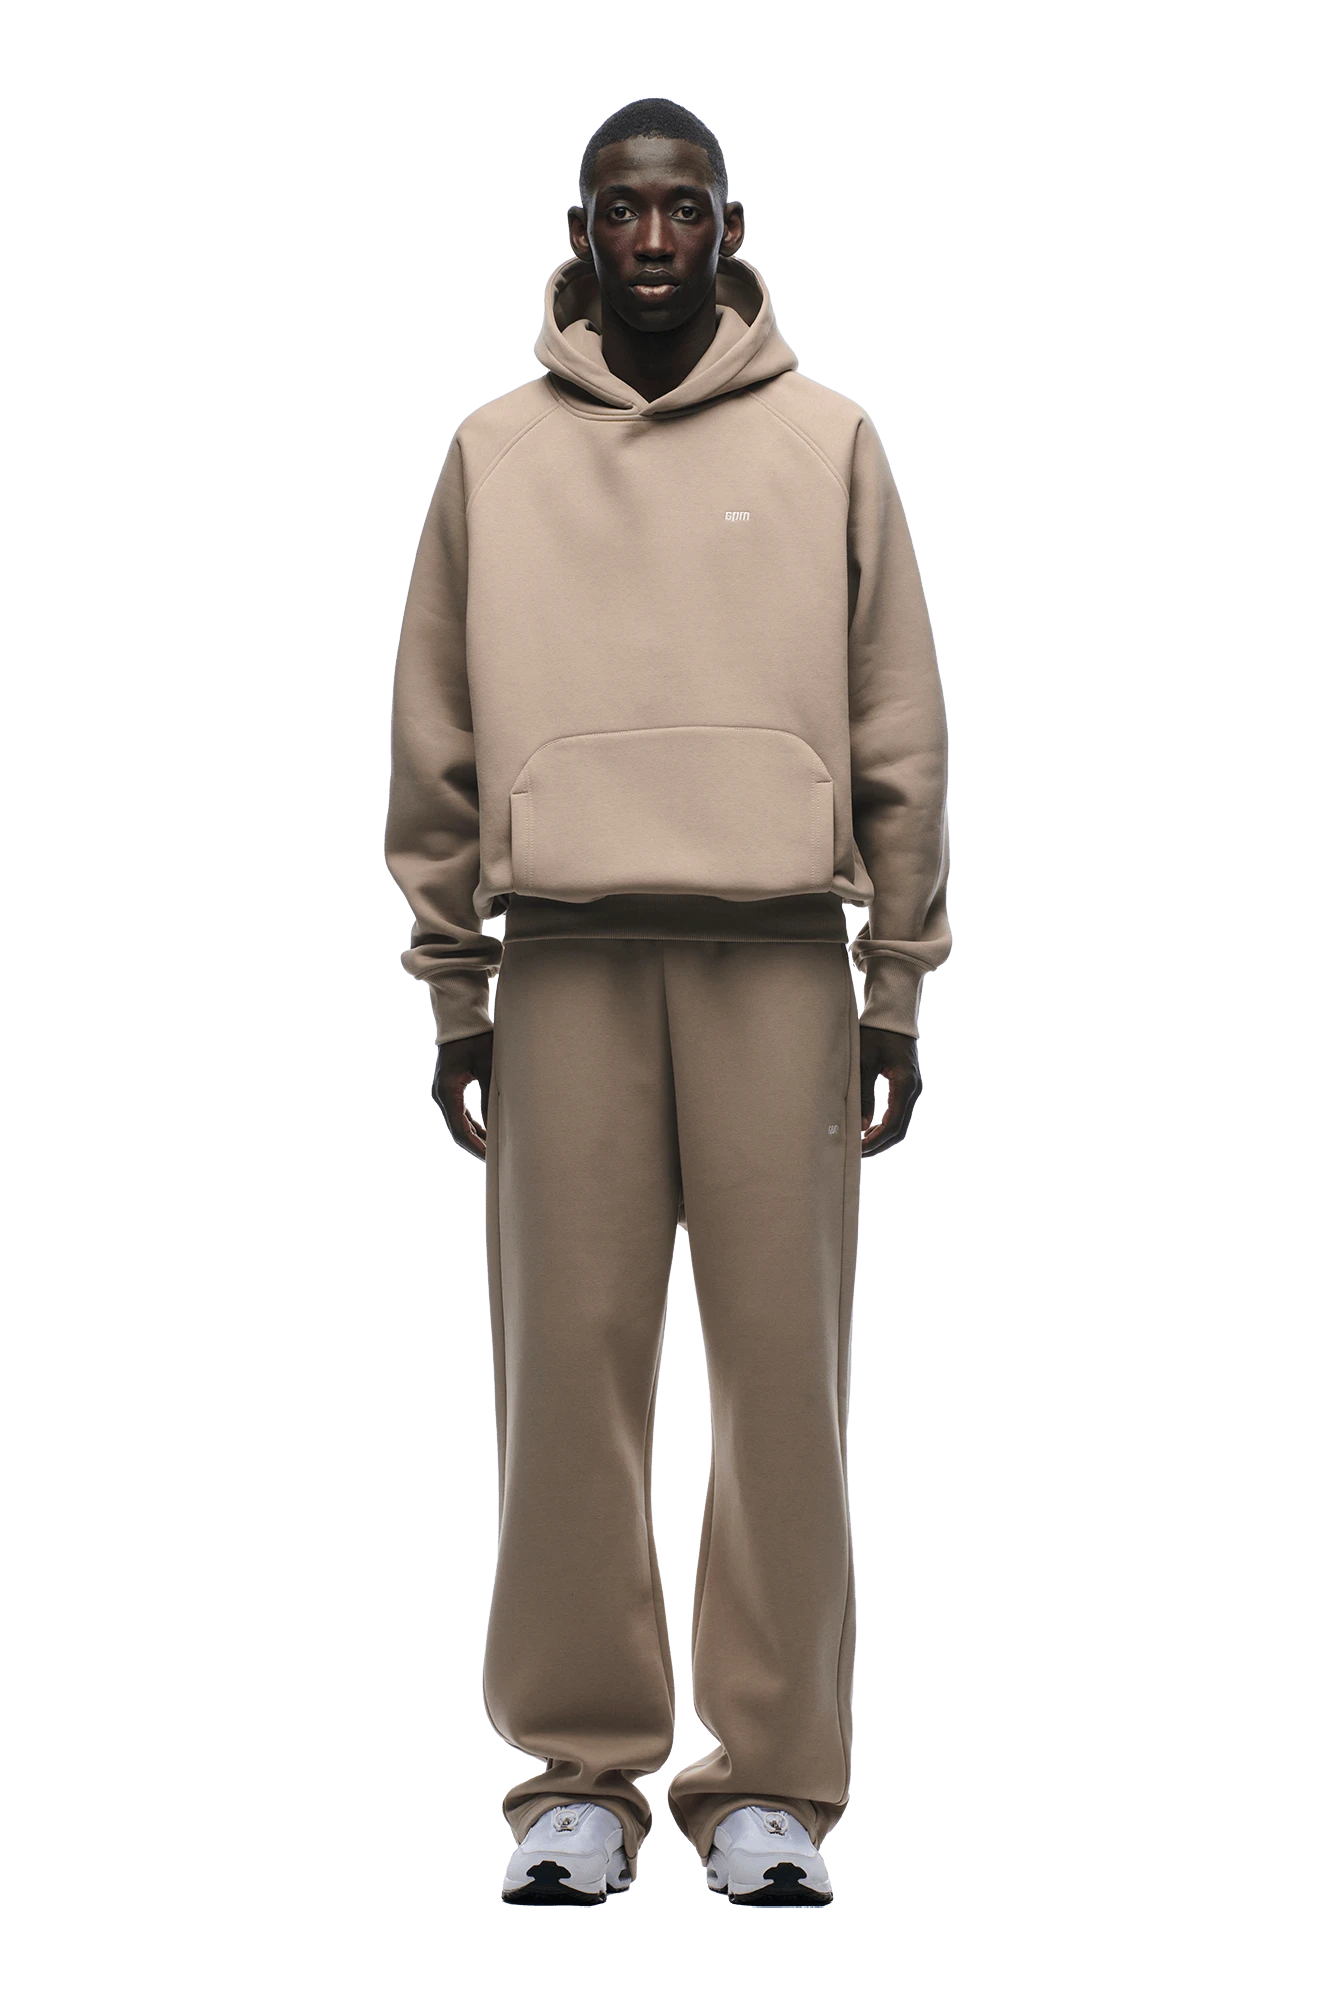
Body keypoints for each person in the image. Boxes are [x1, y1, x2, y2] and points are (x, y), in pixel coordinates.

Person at [384, 97, 951, 1907]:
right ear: (580, 230)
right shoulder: (493, 455)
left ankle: (771, 1784)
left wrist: (899, 981)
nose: (651, 239)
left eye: (682, 209)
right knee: (568, 1375)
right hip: (561, 959)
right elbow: (434, 731)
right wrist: (454, 983)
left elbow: (897, 720)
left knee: (782, 1380)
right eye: (622, 209)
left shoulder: (829, 441)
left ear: (727, 228)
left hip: (781, 960)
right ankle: (578, 1776)